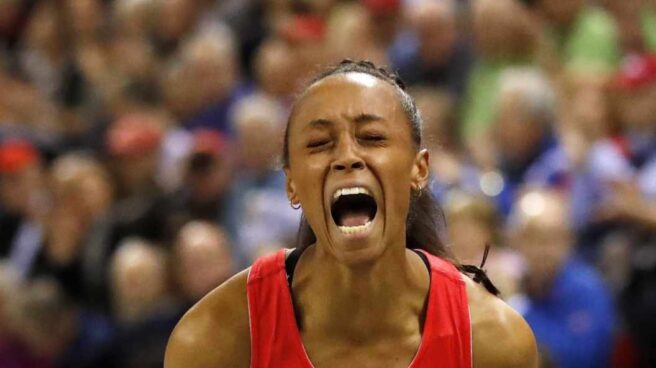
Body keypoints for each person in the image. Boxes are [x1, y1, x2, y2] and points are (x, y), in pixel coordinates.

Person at [165, 60, 537, 367]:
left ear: (419, 169)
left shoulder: (492, 341)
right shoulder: (215, 340)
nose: (346, 157)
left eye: (372, 138)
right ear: (291, 183)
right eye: (319, 144)